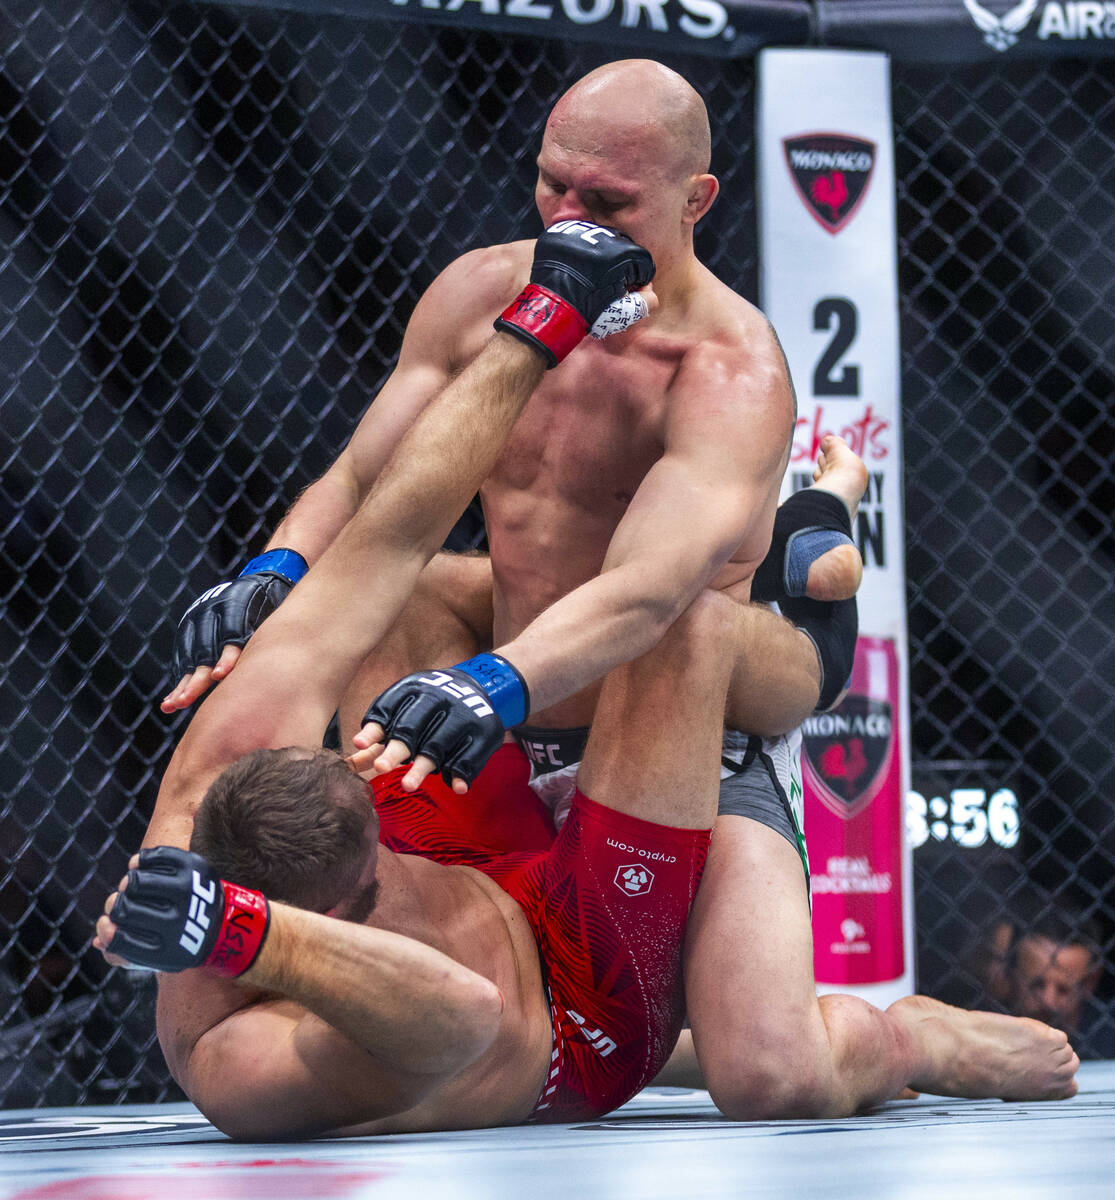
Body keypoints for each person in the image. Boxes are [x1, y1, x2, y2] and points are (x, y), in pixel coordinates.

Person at [159, 60, 1080, 1114]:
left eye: (606, 204)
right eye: (554, 187)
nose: (570, 224)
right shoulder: (478, 294)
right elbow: (373, 484)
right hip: (492, 737)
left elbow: (646, 592)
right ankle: (810, 539)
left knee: (771, 1074)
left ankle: (907, 1036)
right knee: (402, 592)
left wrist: (492, 684)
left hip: (663, 735)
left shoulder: (727, 368)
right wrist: (274, 573)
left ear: (693, 202)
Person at [98, 228, 744, 1137]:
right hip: (583, 1011)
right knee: (679, 623)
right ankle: (815, 652)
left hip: (467, 869)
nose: (362, 758)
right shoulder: (240, 1057)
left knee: (386, 600)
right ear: (337, 903)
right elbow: (463, 1014)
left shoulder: (213, 784)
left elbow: (387, 537)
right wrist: (237, 931)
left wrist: (538, 325)